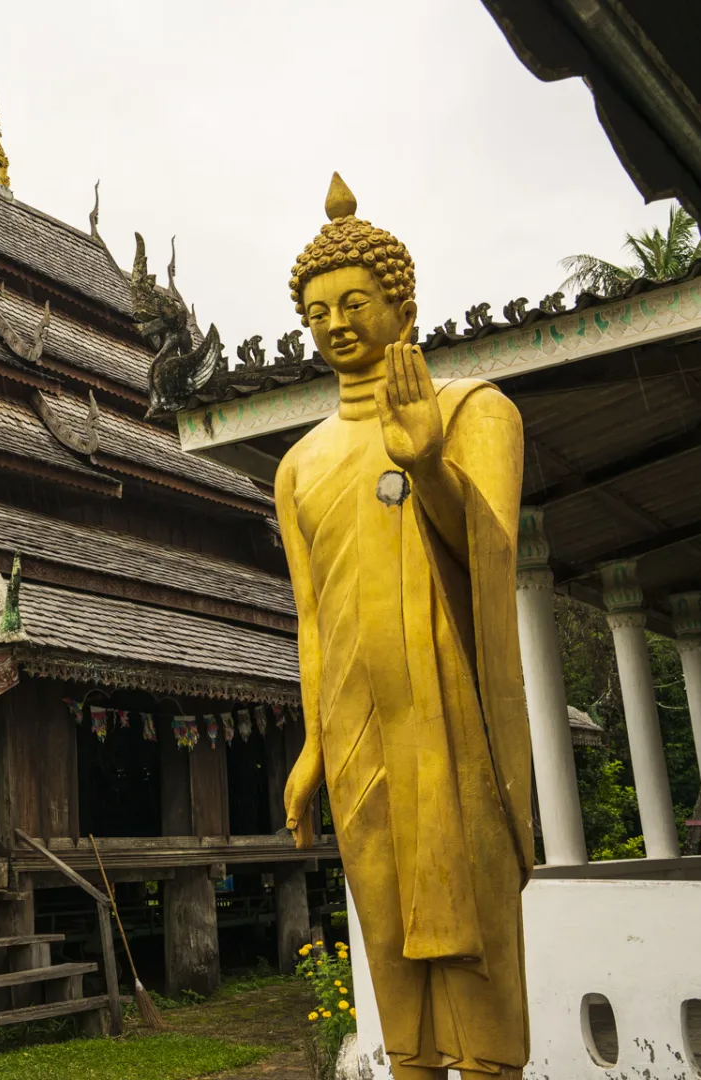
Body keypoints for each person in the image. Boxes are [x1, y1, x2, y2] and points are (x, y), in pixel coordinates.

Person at [277, 173, 533, 1078]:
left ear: (402, 303)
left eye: (356, 301)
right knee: (388, 940)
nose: (337, 322)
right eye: (317, 312)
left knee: (476, 938)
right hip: (357, 727)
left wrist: (427, 466)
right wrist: (311, 744)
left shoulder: (477, 412)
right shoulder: (298, 464)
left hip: (452, 712)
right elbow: (311, 618)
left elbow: (490, 559)